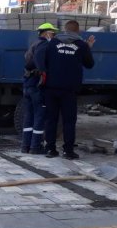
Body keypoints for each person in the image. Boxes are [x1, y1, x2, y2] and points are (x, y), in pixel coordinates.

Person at [34, 20, 96, 160]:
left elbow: (43, 59)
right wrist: (88, 47)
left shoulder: (53, 43)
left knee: (51, 119)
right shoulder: (81, 45)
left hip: (51, 87)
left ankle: (50, 149)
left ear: (64, 30)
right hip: (69, 89)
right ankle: (68, 151)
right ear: (77, 31)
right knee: (69, 121)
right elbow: (89, 64)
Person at [20, 22, 57, 154]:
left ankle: (25, 146)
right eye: (53, 33)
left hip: (28, 83)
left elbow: (27, 60)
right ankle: (36, 147)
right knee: (40, 116)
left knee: (29, 116)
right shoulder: (44, 45)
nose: (54, 36)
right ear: (46, 33)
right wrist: (44, 74)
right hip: (36, 85)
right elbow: (40, 63)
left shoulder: (34, 44)